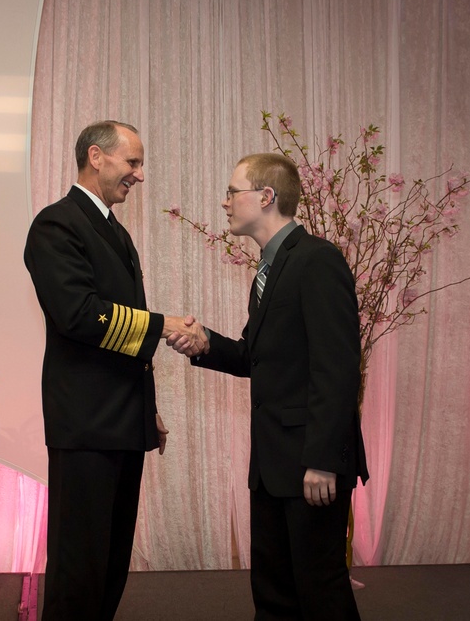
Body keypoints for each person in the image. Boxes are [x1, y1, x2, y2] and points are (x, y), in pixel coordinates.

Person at [169, 153, 368, 620]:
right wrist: (203, 344)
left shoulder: (317, 260)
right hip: (274, 465)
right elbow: (254, 357)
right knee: (274, 592)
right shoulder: (269, 268)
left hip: (310, 466)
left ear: (265, 196)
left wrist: (322, 459)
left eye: (231, 191)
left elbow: (337, 368)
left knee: (320, 590)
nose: (224, 202)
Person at [24, 120, 208, 620]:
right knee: (79, 568)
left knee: (109, 566)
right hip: (86, 425)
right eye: (133, 162)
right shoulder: (57, 224)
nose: (139, 175)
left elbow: (121, 344)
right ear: (96, 156)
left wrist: (146, 410)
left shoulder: (112, 230)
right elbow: (79, 315)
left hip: (121, 422)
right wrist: (162, 324)